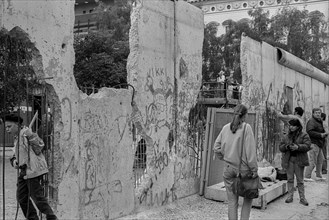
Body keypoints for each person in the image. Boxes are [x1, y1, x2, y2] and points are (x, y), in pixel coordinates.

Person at [2, 113, 58, 220]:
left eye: (9, 126)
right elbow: (17, 155)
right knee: (22, 197)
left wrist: (31, 135)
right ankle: (33, 218)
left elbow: (40, 147)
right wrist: (15, 161)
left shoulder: (26, 133)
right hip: (24, 171)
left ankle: (52, 218)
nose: (7, 129)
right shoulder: (17, 137)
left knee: (38, 198)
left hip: (33, 170)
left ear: (17, 124)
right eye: (6, 127)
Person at [213, 104, 258, 220]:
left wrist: (225, 157)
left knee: (232, 202)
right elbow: (250, 153)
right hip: (244, 170)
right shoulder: (247, 128)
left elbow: (216, 147)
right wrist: (254, 169)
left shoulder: (225, 128)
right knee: (247, 200)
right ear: (245, 116)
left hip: (228, 169)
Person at [279, 119, 311, 206]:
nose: (291, 127)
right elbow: (281, 147)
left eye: (293, 125)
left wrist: (298, 147)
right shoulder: (287, 136)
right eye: (290, 125)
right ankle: (290, 196)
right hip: (289, 160)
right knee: (290, 179)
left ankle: (302, 198)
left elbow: (308, 146)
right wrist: (286, 146)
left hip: (299, 160)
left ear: (297, 126)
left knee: (300, 180)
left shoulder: (304, 135)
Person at [304, 108, 328, 182]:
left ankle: (319, 176)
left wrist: (324, 134)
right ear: (313, 113)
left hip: (319, 143)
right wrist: (320, 135)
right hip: (314, 143)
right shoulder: (311, 121)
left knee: (320, 160)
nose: (318, 114)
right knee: (312, 161)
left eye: (319, 113)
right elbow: (309, 131)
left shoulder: (319, 121)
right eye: (316, 113)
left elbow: (320, 130)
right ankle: (307, 176)